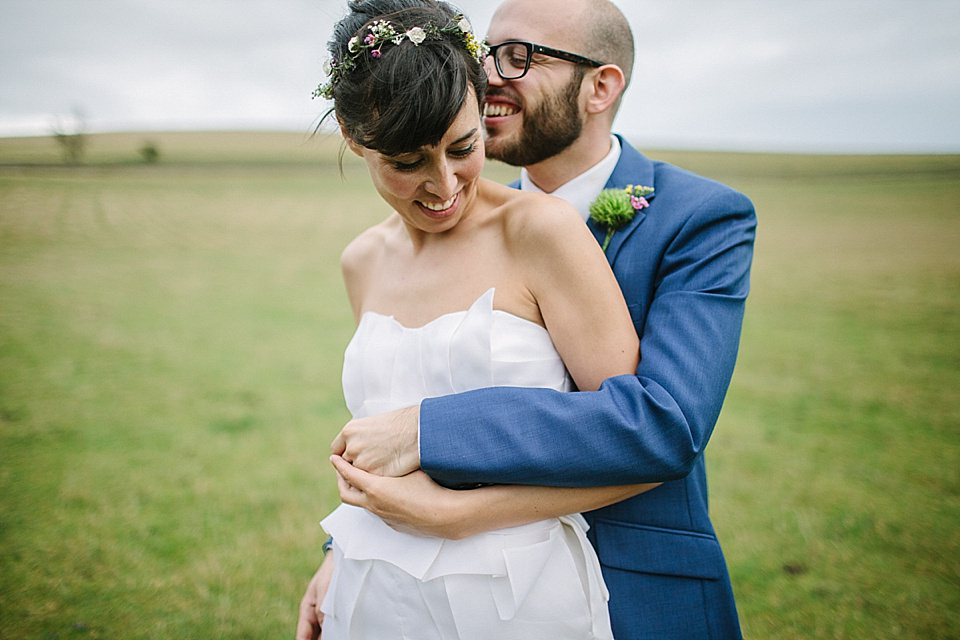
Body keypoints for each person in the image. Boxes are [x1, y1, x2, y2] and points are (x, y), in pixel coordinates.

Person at [302, 0, 758, 638]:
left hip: (604, 584)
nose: (490, 76)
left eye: (519, 56)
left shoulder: (699, 219)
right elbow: (385, 419)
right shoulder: (395, 241)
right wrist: (342, 548)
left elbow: (662, 427)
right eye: (487, 52)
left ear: (601, 85)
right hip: (391, 586)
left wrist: (431, 442)